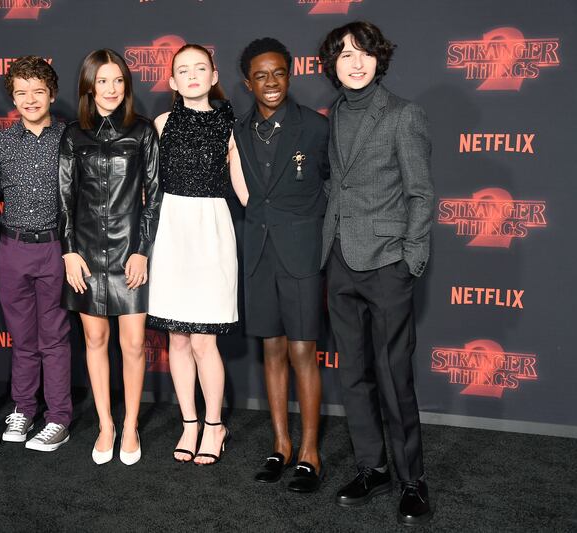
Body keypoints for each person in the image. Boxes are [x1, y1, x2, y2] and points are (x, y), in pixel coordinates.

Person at [319, 21, 434, 525]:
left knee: (393, 375)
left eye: (364, 52)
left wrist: (411, 258)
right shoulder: (334, 114)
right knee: (353, 374)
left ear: (378, 58)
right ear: (333, 64)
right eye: (345, 54)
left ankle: (412, 479)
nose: (355, 62)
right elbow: (336, 184)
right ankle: (373, 467)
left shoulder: (404, 114)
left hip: (387, 262)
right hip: (339, 260)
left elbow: (421, 193)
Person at [233, 38, 330, 492]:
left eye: (278, 73)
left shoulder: (315, 126)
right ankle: (281, 445)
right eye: (260, 75)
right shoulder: (238, 129)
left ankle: (310, 452)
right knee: (271, 351)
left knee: (302, 352)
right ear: (247, 82)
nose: (270, 82)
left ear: (289, 75)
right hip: (259, 252)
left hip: (302, 253)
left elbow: (332, 185)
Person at [57, 49, 162, 465]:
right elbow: (64, 199)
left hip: (128, 253)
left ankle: (130, 424)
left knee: (133, 344)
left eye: (118, 80)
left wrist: (142, 251)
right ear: (89, 86)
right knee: (95, 340)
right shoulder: (73, 134)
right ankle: (106, 424)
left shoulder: (142, 131)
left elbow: (154, 197)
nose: (111, 89)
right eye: (102, 81)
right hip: (85, 254)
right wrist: (69, 253)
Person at [147, 44, 248, 465]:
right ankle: (189, 423)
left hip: (211, 230)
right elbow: (148, 187)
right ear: (172, 80)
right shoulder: (161, 123)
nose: (192, 75)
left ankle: (214, 425)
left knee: (205, 340)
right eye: (183, 70)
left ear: (213, 75)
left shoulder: (231, 126)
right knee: (177, 337)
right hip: (171, 231)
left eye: (200, 68)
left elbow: (243, 189)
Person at [0, 56, 72, 452]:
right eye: (21, 92)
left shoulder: (69, 138)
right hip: (12, 248)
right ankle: (23, 408)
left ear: (51, 94)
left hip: (56, 248)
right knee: (23, 338)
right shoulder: (0, 142)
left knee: (54, 338)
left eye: (38, 91)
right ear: (13, 97)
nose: (30, 99)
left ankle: (58, 417)